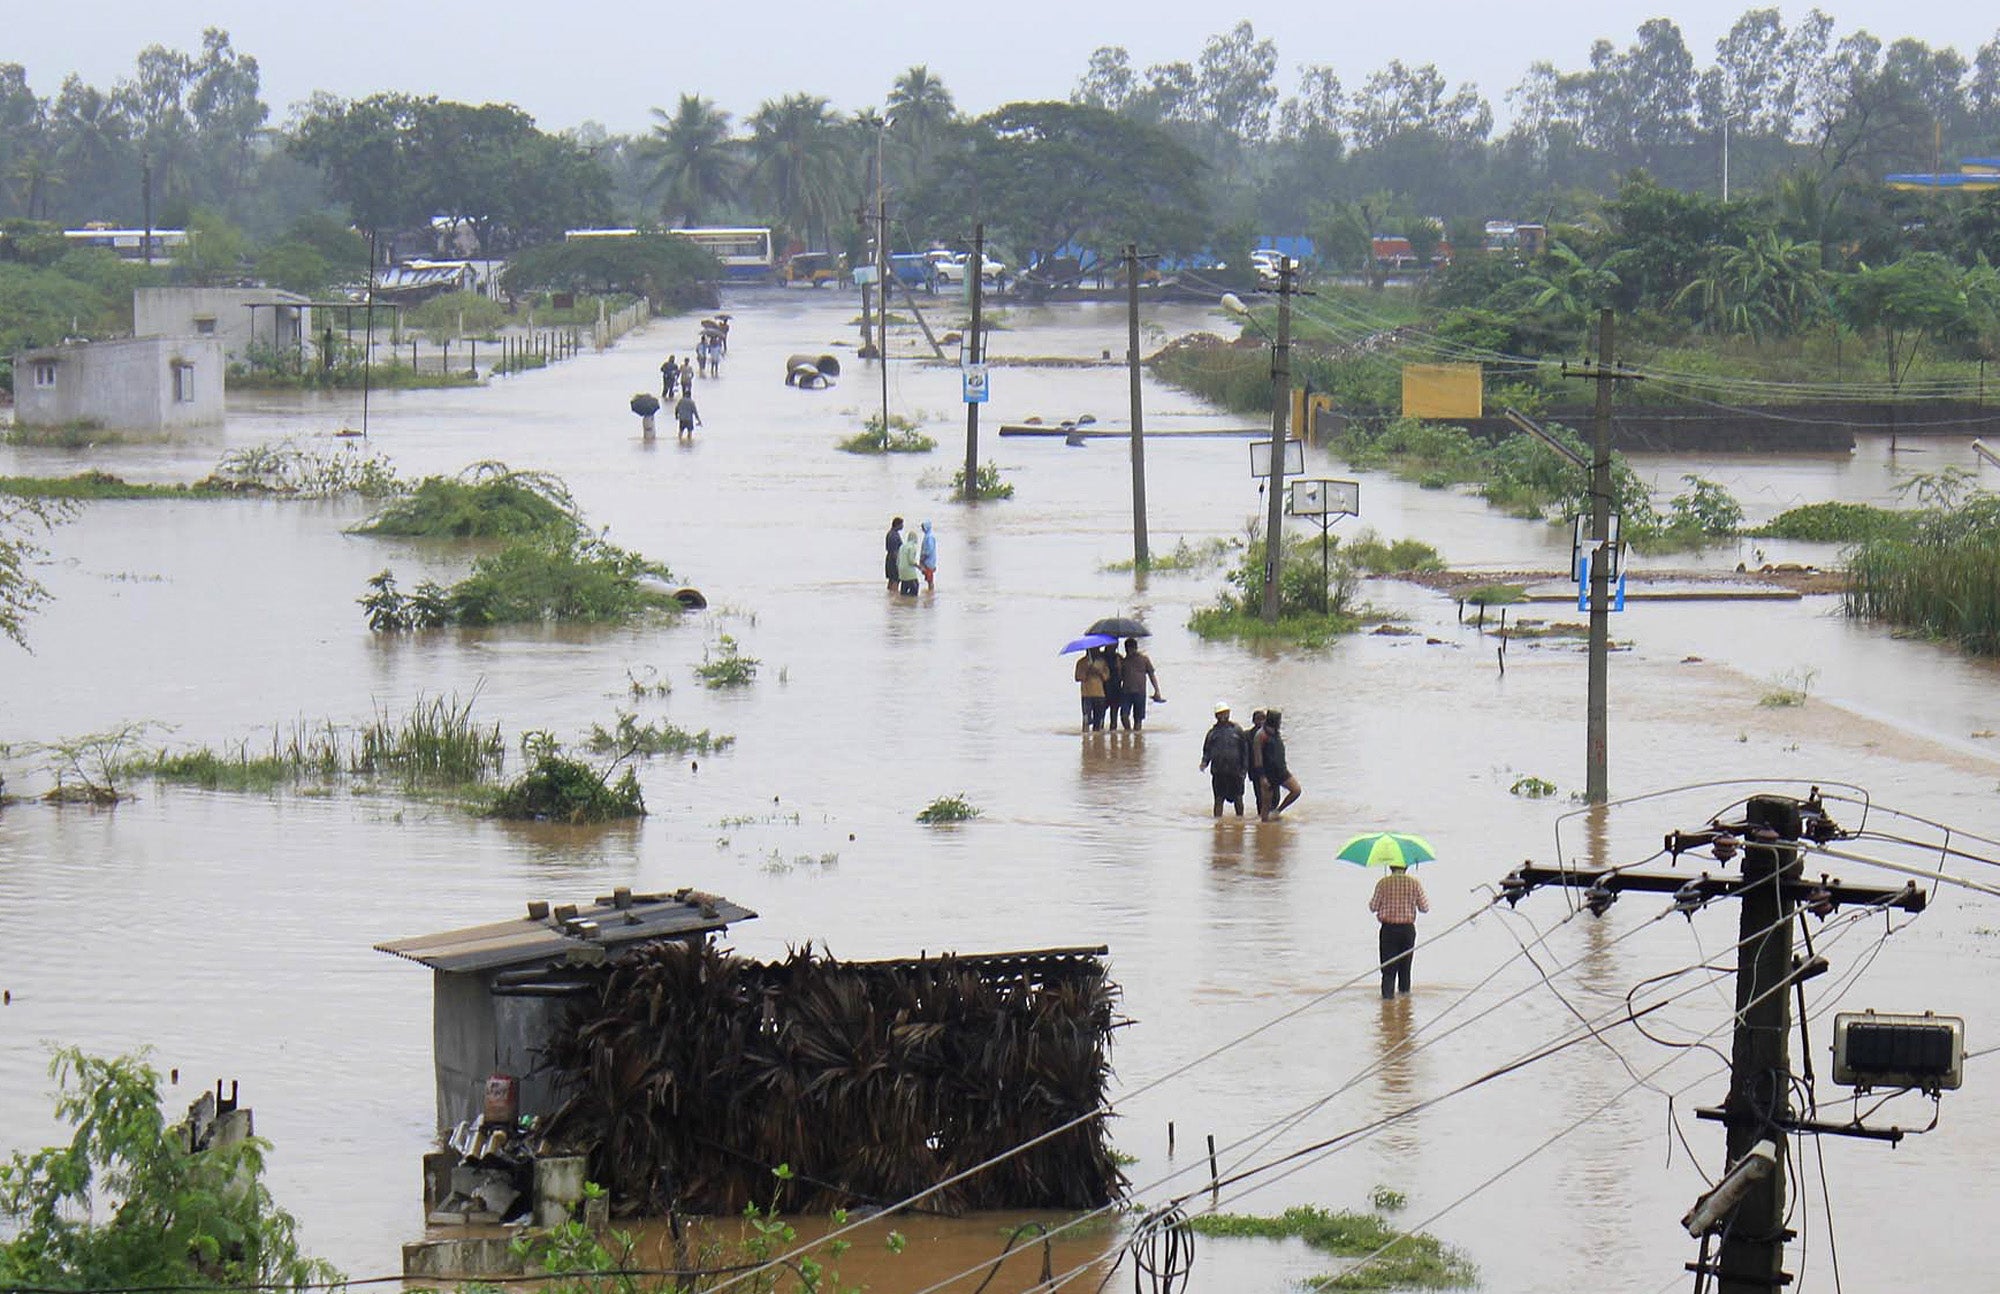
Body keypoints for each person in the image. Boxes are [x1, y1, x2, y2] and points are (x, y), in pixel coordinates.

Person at [1368, 863, 1430, 997]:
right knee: (1405, 969)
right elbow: (1424, 908)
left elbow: (1373, 907)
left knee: (1388, 970)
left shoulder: (1383, 883)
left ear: (1390, 866)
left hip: (1388, 930)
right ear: (1406, 866)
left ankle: (1387, 1002)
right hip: (1407, 930)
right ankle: (1405, 1004)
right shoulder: (1414, 883)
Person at [1200, 702, 1248, 816]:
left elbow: (1245, 751)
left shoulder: (1237, 730)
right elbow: (1207, 751)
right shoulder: (1212, 733)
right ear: (1216, 716)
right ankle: (1218, 824)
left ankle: (1240, 822)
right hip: (1219, 772)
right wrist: (1204, 763)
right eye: (1220, 714)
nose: (1223, 716)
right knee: (1218, 799)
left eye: (1225, 713)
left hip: (1235, 772)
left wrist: (1244, 770)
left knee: (1238, 798)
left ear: (1229, 713)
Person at [1259, 709, 1303, 820]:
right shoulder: (1261, 735)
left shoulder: (1276, 733)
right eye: (1278, 721)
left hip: (1281, 770)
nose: (1280, 723)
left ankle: (1277, 811)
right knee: (1266, 805)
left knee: (1296, 790)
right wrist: (1262, 777)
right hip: (1268, 774)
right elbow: (1257, 758)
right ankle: (1264, 827)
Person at [1115, 638, 1165, 730]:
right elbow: (1120, 678)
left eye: (1130, 648)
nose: (1128, 651)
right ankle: (1129, 732)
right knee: (1124, 716)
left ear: (1135, 648)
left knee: (1138, 719)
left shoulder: (1144, 659)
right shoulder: (1123, 661)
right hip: (1126, 692)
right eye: (1127, 649)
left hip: (1140, 692)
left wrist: (1157, 690)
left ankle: (1137, 737)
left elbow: (1151, 675)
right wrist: (1119, 668)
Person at [1074, 647, 1112, 731]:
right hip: (1086, 694)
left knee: (1098, 721)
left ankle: (1097, 740)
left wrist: (1098, 671)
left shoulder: (1102, 662)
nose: (1096, 651)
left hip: (1100, 694)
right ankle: (1086, 740)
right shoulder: (1081, 662)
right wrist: (1087, 670)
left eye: (1096, 649)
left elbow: (1106, 677)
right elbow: (1077, 677)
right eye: (1093, 650)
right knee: (1086, 719)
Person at [1247, 711, 1269, 816]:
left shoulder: (1270, 734)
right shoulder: (1248, 735)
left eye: (1263, 719)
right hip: (1256, 772)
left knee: (1273, 797)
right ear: (1253, 721)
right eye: (1258, 719)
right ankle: (1261, 816)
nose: (1260, 722)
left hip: (1270, 771)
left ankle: (1271, 816)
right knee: (1259, 797)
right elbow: (1245, 754)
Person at [897, 524, 922, 596]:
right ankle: (911, 605)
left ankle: (903, 604)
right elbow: (911, 560)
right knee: (915, 589)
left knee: (903, 591)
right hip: (909, 572)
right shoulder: (912, 547)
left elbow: (898, 559)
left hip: (901, 571)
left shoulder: (902, 546)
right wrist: (918, 566)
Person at [884, 517, 904, 590]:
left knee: (891, 579)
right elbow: (895, 551)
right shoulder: (894, 535)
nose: (903, 526)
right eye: (902, 524)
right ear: (897, 525)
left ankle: (890, 595)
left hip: (889, 558)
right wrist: (898, 562)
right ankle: (894, 596)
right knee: (896, 579)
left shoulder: (890, 533)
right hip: (893, 559)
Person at [919, 520, 938, 591]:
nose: (922, 529)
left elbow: (929, 550)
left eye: (923, 527)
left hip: (928, 561)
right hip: (929, 561)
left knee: (930, 579)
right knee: (929, 579)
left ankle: (931, 592)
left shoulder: (929, 537)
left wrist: (922, 559)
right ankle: (930, 592)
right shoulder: (927, 536)